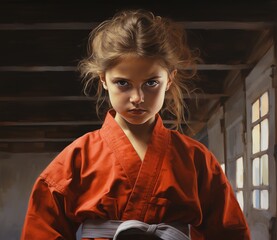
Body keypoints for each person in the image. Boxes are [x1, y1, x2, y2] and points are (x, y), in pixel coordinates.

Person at [21, 9, 251, 240]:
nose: (137, 98)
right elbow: (41, 231)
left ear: (169, 79)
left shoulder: (196, 158)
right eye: (123, 83)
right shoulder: (77, 158)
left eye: (151, 82)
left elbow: (229, 233)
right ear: (103, 79)